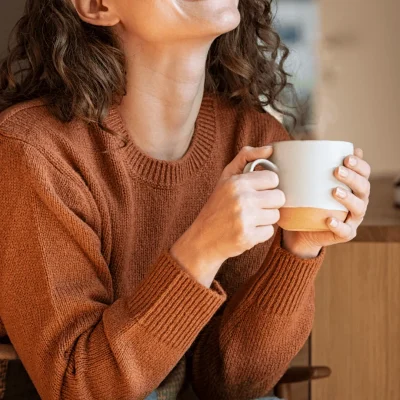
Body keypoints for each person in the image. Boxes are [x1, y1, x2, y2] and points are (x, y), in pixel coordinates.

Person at [0, 0, 371, 399]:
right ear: (97, 5)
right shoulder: (34, 151)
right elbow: (78, 386)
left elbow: (231, 385)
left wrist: (297, 251)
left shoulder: (256, 140)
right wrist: (200, 250)